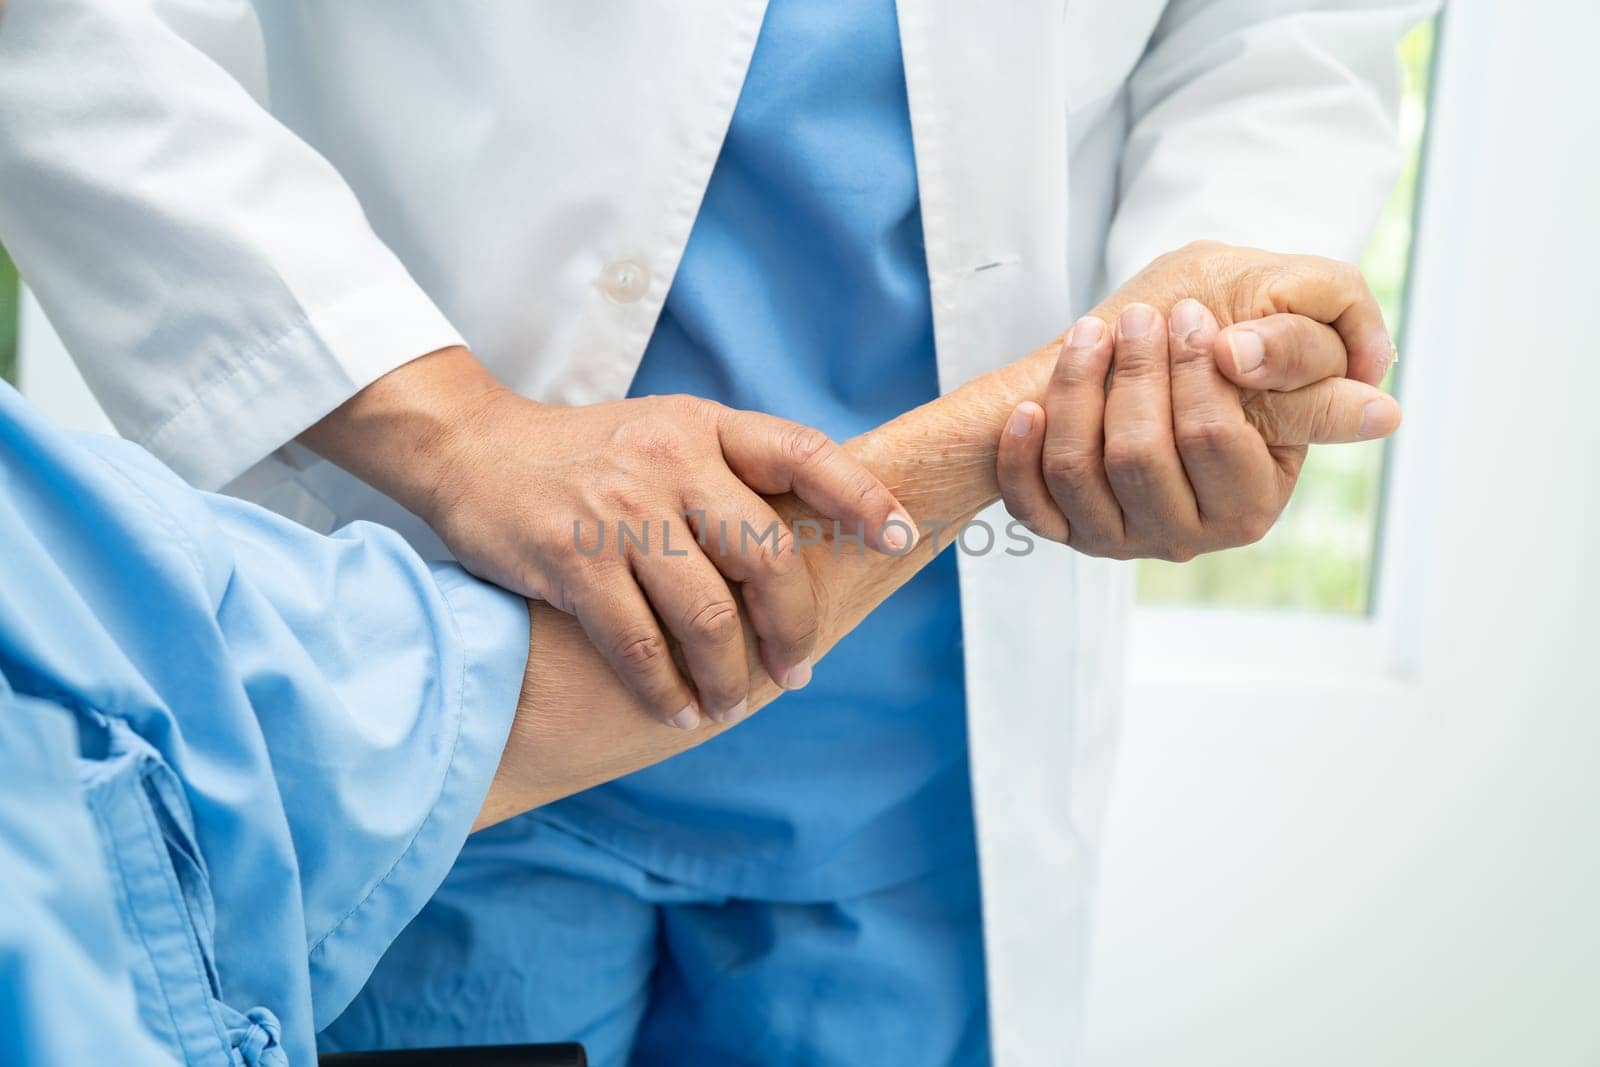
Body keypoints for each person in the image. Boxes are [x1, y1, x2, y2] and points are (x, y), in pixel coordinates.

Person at [0, 1, 1433, 1061]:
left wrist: (1203, 315)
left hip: (909, 766)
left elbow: (1282, 37)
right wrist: (445, 423)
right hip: (441, 665)